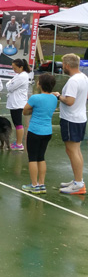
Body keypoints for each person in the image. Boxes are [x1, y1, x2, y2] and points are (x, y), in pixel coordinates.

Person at [54, 54, 88, 195]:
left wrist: (58, 96)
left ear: (67, 65)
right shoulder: (83, 77)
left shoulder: (73, 81)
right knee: (75, 150)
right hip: (79, 118)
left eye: (63, 64)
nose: (62, 66)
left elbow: (69, 101)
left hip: (71, 119)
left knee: (72, 151)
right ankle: (78, 181)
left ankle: (79, 184)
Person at [22, 73, 58, 194]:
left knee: (32, 158)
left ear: (40, 84)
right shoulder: (54, 98)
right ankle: (41, 184)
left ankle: (34, 185)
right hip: (47, 132)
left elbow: (25, 111)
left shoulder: (35, 98)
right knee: (41, 157)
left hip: (35, 131)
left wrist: (32, 110)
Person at [5, 59, 32, 150]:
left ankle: (19, 144)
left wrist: (9, 84)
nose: (14, 70)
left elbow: (10, 87)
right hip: (15, 102)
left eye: (15, 68)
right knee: (17, 123)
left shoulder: (22, 76)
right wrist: (9, 84)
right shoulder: (19, 75)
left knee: (18, 123)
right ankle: (18, 142)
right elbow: (9, 84)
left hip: (17, 103)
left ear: (21, 67)